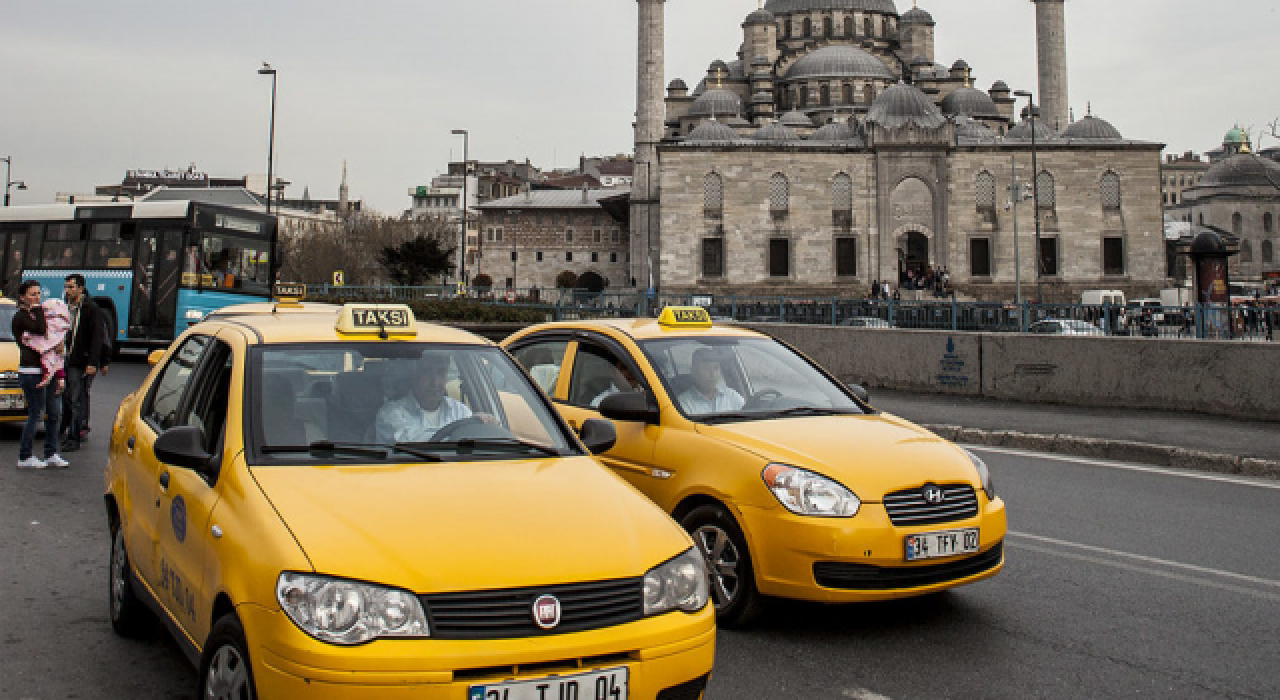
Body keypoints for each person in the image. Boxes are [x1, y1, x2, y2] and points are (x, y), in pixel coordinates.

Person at [11, 281, 68, 469]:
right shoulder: (21, 317)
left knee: (55, 412)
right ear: (22, 298)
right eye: (32, 294)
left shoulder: (40, 314)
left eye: (38, 293)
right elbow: (41, 329)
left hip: (49, 370)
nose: (37, 297)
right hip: (31, 372)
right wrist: (37, 310)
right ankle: (25, 456)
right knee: (36, 413)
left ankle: (51, 453)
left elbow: (55, 337)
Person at [375, 353, 472, 444]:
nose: (435, 383)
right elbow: (412, 443)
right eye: (427, 372)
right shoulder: (391, 413)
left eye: (441, 372)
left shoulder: (461, 412)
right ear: (414, 376)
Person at [59, 274, 105, 452]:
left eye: (71, 287)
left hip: (80, 361)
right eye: (66, 287)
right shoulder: (65, 307)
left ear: (80, 288)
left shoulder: (91, 309)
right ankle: (69, 429)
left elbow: (97, 338)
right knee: (68, 397)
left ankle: (74, 437)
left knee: (77, 398)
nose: (68, 291)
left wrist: (93, 362)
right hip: (65, 358)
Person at [677, 348, 745, 416]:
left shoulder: (731, 396)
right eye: (706, 368)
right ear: (693, 372)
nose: (712, 374)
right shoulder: (683, 403)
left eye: (716, 368)